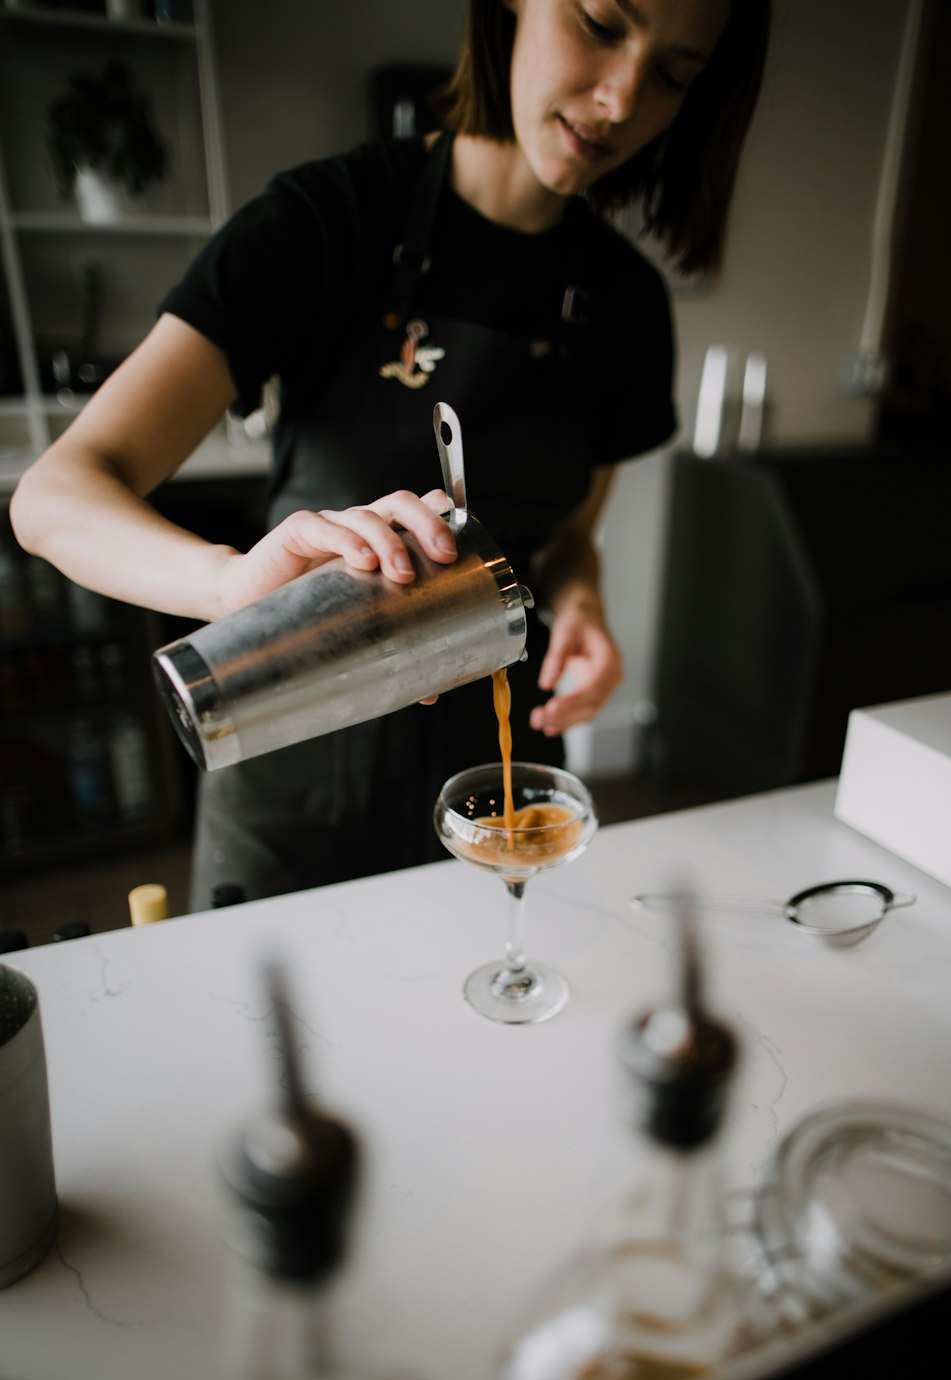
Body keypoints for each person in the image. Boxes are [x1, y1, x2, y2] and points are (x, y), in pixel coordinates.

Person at [11, 0, 770, 908]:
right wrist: (228, 586)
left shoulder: (627, 304)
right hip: (297, 763)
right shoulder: (325, 221)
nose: (620, 99)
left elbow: (569, 539)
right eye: (601, 22)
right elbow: (53, 497)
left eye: (675, 75)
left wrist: (582, 605)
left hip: (495, 768)